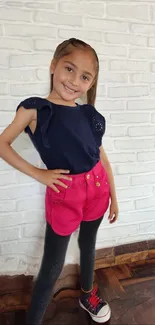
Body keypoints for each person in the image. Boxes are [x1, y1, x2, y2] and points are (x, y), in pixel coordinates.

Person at [0, 38, 118, 324]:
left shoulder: (88, 115)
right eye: (69, 69)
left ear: (91, 83)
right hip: (65, 195)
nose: (74, 81)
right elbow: (3, 143)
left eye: (84, 76)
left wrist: (114, 194)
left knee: (88, 244)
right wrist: (39, 173)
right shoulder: (36, 110)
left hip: (98, 191)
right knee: (52, 265)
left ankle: (87, 295)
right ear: (53, 66)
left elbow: (100, 155)